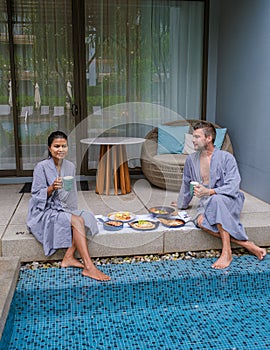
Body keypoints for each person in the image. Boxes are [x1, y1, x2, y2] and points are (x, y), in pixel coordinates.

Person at [175, 121, 266, 269]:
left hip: (229, 199)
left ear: (208, 138)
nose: (193, 140)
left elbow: (233, 186)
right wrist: (181, 204)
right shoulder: (191, 160)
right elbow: (186, 184)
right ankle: (247, 244)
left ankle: (227, 252)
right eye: (193, 136)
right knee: (200, 221)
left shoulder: (226, 158)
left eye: (197, 137)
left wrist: (210, 192)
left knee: (216, 200)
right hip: (206, 202)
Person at [27, 130, 110, 281]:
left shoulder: (70, 166)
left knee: (86, 217)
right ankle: (89, 267)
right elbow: (35, 195)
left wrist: (71, 213)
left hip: (64, 207)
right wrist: (51, 188)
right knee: (77, 221)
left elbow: (72, 194)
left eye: (63, 146)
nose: (60, 149)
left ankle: (69, 257)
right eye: (56, 146)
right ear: (49, 148)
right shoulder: (41, 167)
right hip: (45, 210)